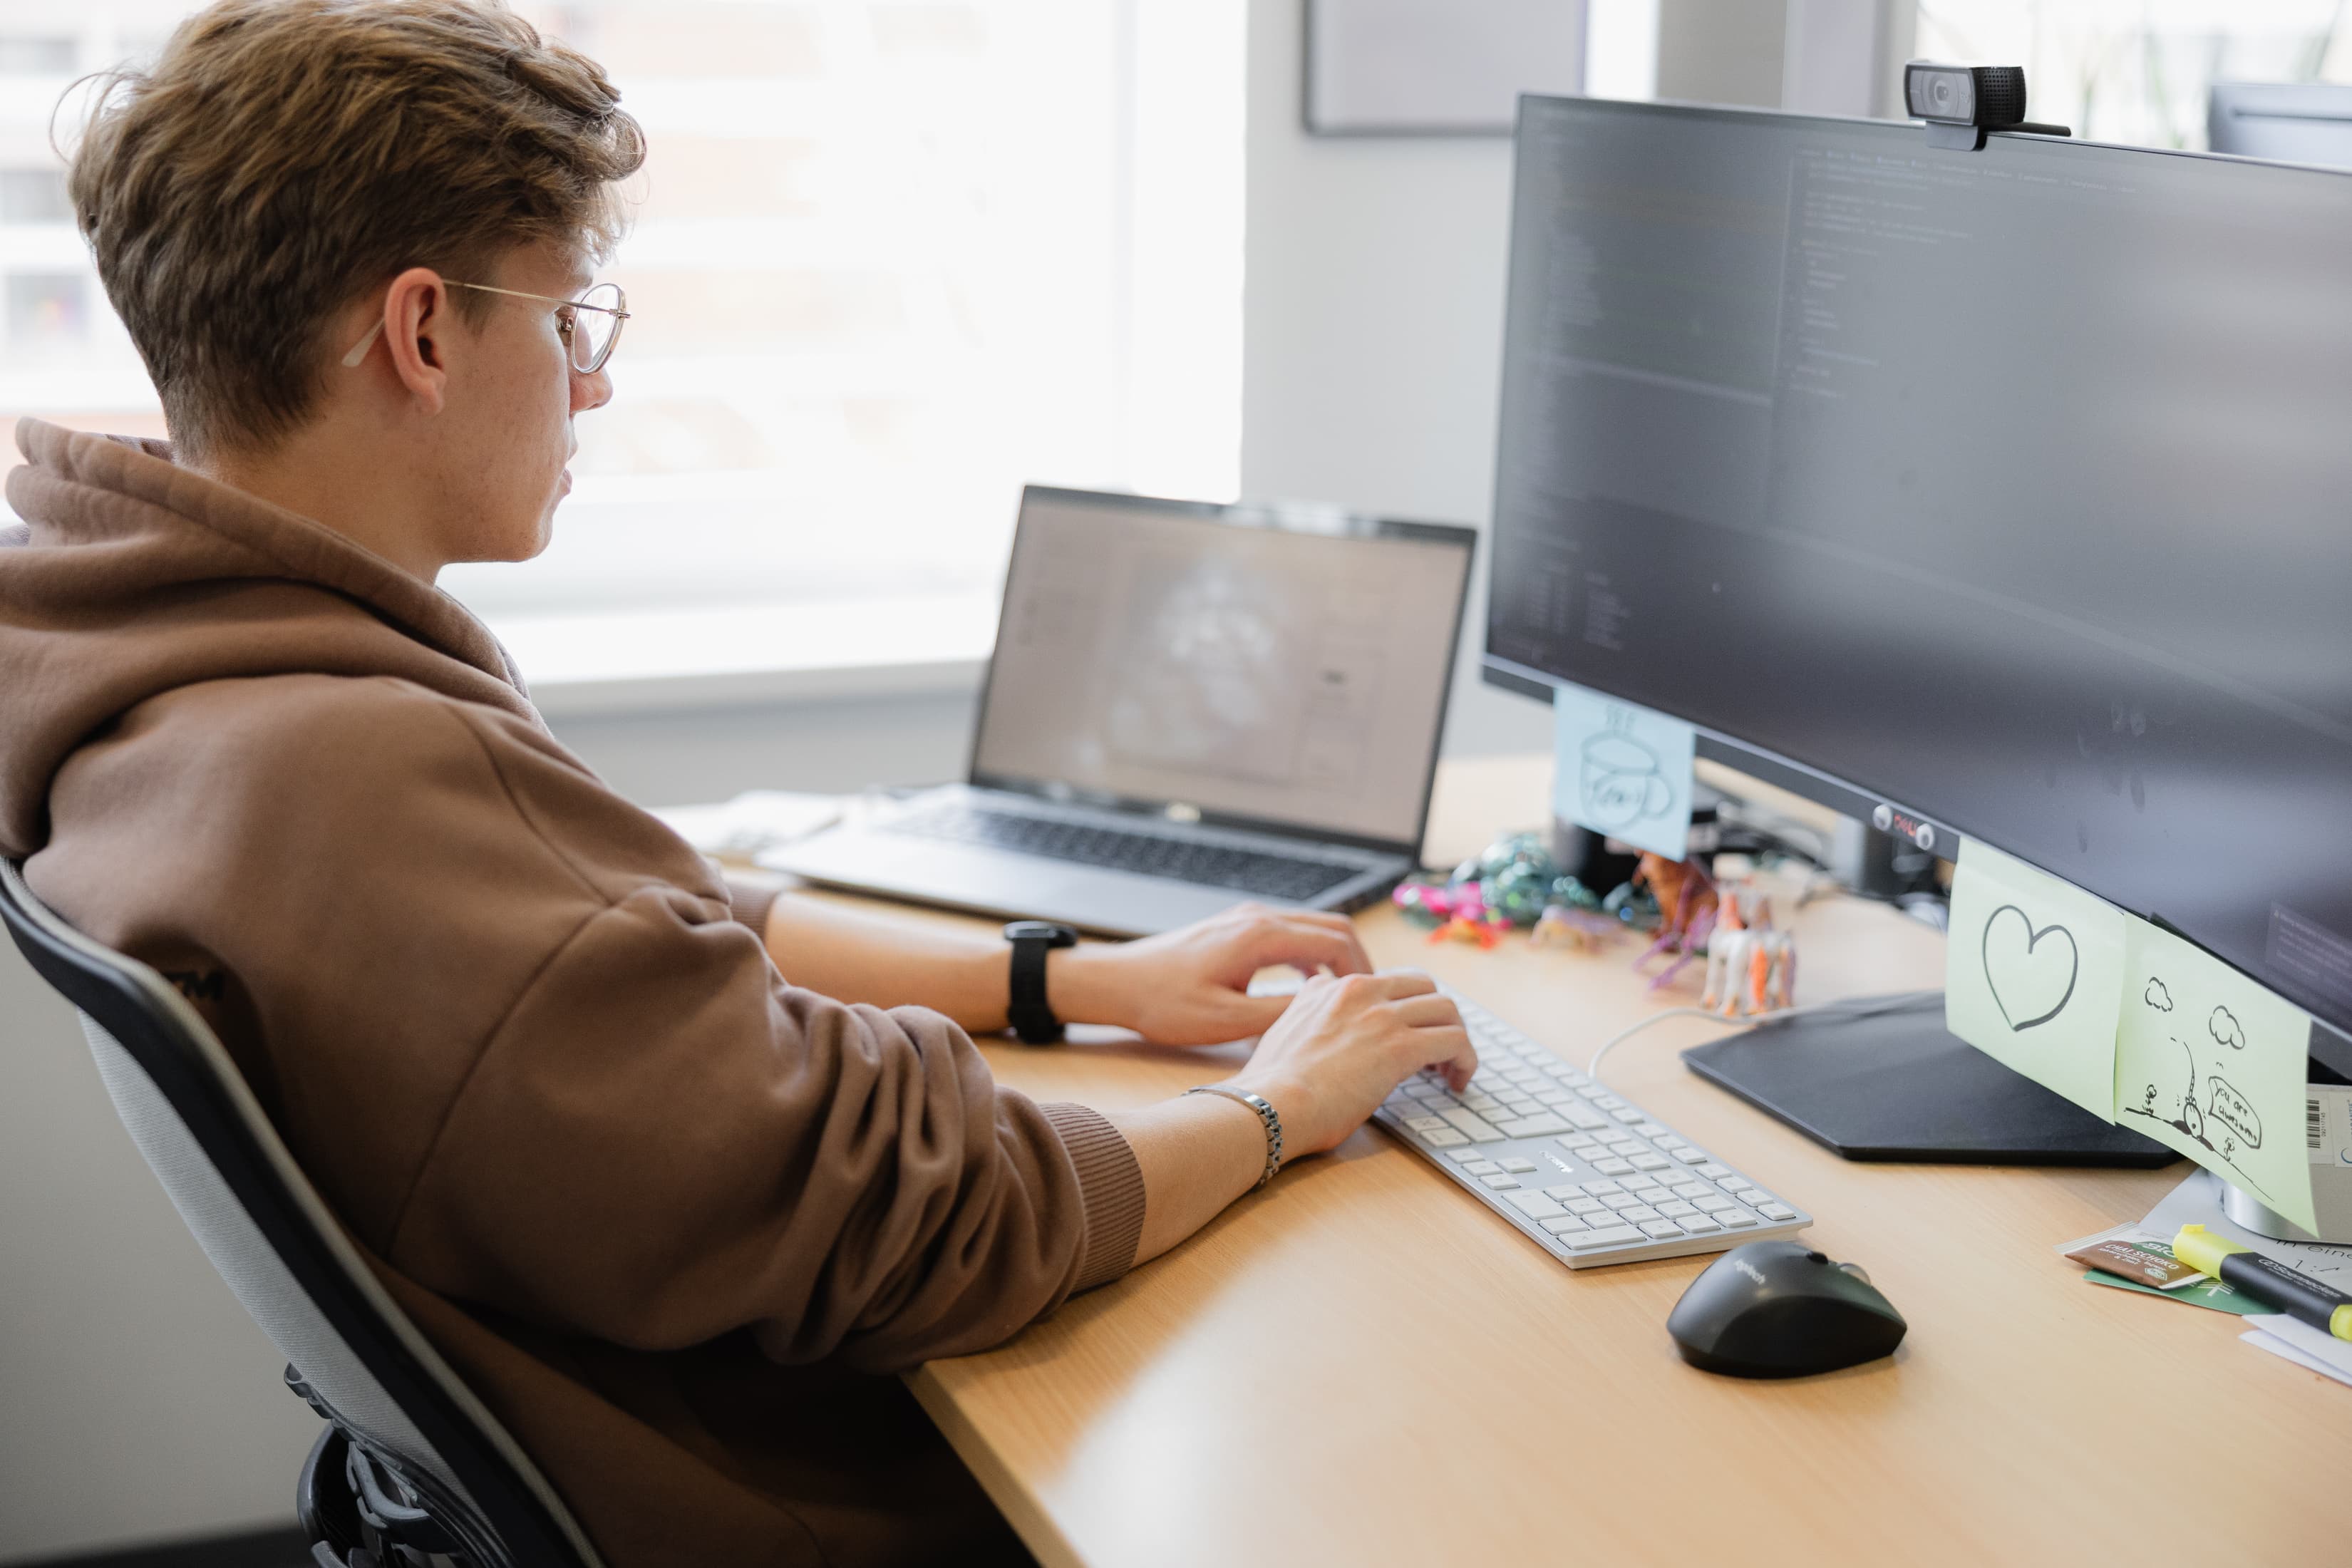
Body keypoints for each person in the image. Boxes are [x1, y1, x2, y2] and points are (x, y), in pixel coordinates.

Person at [0, 4, 1475, 1563]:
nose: (596, 384)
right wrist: (1269, 1105)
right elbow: (937, 1219)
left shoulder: (170, 667)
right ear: (424, 333)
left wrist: (1069, 979)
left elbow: (642, 923)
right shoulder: (356, 776)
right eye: (572, 321)